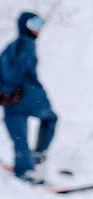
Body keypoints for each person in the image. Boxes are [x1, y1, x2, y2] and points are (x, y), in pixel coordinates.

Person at [0, 12, 57, 184]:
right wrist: (9, 90)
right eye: (34, 24)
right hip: (28, 95)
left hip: (11, 99)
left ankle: (24, 168)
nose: (38, 29)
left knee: (19, 135)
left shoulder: (11, 46)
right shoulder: (26, 45)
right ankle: (37, 156)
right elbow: (18, 68)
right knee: (50, 119)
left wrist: (4, 93)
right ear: (25, 25)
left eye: (40, 24)